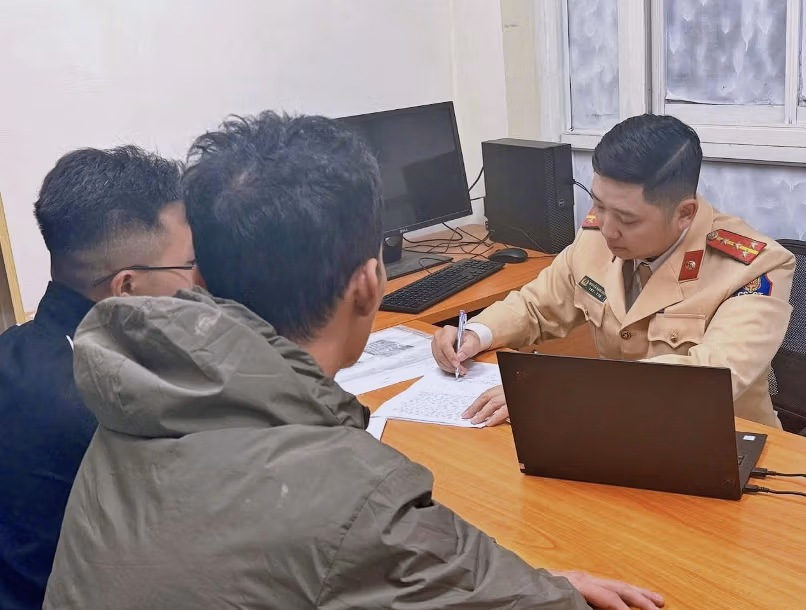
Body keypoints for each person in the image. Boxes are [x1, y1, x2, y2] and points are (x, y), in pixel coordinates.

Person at [44, 112, 664, 610]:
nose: (606, 226)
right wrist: (543, 589)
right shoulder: (359, 496)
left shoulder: (134, 403)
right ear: (370, 285)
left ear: (200, 277)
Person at [432, 114, 795, 429]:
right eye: (598, 205)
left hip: (718, 440)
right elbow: (536, 306)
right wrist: (476, 333)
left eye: (627, 219)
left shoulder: (755, 266)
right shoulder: (597, 237)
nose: (607, 228)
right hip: (615, 429)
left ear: (684, 213)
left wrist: (564, 390)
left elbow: (711, 376)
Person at [0, 146, 195, 610]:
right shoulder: (120, 410)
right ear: (126, 287)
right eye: (188, 264)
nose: (197, 280)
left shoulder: (13, 350)